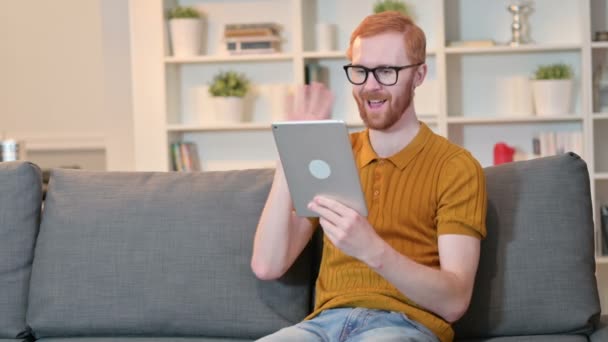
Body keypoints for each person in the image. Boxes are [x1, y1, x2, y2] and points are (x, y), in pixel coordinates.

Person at [251, 11, 487, 342]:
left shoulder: (455, 166)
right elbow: (267, 265)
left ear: (419, 75)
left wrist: (372, 249)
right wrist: (290, 149)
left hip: (403, 326)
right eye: (360, 71)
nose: (370, 86)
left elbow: (455, 300)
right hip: (322, 326)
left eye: (386, 71)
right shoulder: (335, 153)